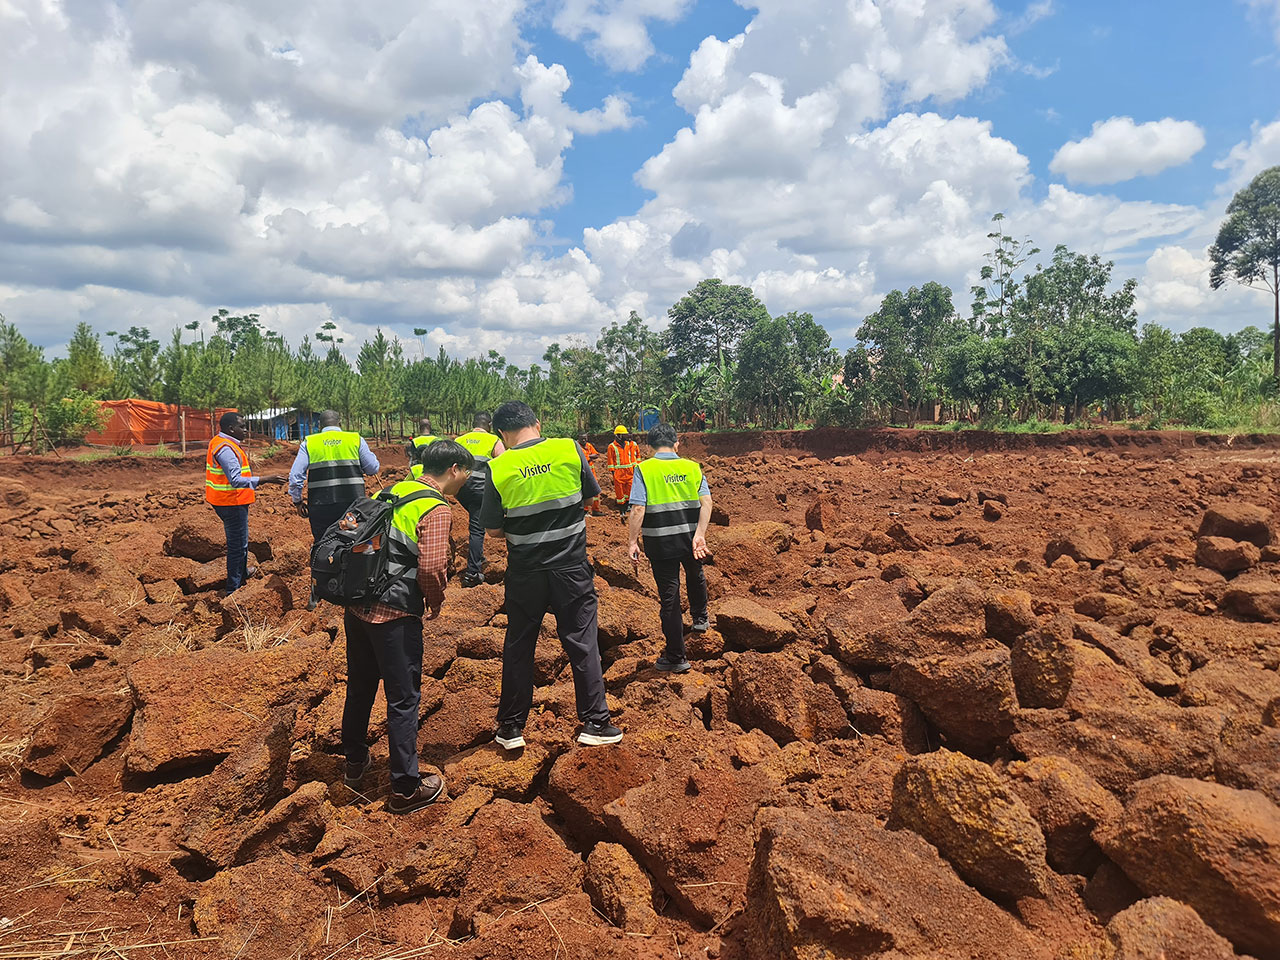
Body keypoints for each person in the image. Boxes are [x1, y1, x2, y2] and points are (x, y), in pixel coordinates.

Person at [342, 439, 474, 814]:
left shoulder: (390, 491)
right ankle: (404, 787)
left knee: (360, 687)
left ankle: (354, 763)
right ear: (453, 470)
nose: (467, 479)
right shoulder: (435, 508)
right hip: (395, 616)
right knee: (403, 699)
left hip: (359, 609)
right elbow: (432, 567)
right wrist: (435, 601)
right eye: (466, 472)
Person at [482, 401, 621, 750]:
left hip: (525, 571)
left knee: (519, 645)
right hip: (570, 569)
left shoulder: (498, 468)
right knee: (581, 641)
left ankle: (511, 728)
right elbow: (592, 496)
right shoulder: (569, 449)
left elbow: (494, 531)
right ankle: (595, 722)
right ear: (538, 424)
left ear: (502, 433)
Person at [627, 423, 712, 674]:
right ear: (677, 444)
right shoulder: (692, 467)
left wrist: (633, 541)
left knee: (669, 596)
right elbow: (706, 502)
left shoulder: (644, 469)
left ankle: (676, 656)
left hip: (661, 543)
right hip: (690, 540)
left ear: (650, 446)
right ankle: (700, 619)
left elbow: (638, 508)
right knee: (696, 575)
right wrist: (700, 535)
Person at [289, 411, 381, 610]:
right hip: (353, 509)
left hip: (321, 506)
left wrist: (297, 501)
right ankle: (355, 589)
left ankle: (318, 593)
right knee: (355, 543)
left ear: (319, 425)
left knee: (322, 545)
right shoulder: (354, 439)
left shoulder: (310, 442)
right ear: (339, 423)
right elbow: (373, 468)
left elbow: (295, 476)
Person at [205, 412, 286, 595]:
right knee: (237, 546)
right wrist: (266, 479)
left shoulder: (224, 442)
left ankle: (241, 574)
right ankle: (234, 589)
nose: (246, 430)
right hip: (231, 502)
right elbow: (235, 479)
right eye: (242, 426)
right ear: (230, 429)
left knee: (240, 543)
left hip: (228, 501)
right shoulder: (225, 448)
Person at [454, 413, 506, 587]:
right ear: (489, 425)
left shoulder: (460, 440)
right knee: (477, 529)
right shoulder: (493, 441)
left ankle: (478, 556)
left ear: (473, 424)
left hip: (461, 490)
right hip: (481, 490)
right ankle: (473, 573)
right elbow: (504, 465)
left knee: (478, 520)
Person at [606, 425, 641, 520]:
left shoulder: (629, 445)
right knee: (620, 492)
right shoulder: (611, 446)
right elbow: (610, 461)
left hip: (629, 471)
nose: (627, 436)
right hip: (618, 473)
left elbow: (633, 456)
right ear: (619, 436)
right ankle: (622, 508)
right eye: (624, 434)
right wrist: (613, 473)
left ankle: (628, 505)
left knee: (629, 489)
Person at [578, 433, 605, 516]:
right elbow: (581, 458)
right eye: (582, 439)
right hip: (582, 472)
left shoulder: (589, 445)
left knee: (595, 489)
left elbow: (596, 455)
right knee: (584, 490)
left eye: (585, 438)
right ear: (578, 438)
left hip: (591, 472)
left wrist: (588, 457)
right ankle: (584, 510)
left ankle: (595, 509)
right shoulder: (577, 447)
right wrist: (590, 457)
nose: (584, 440)